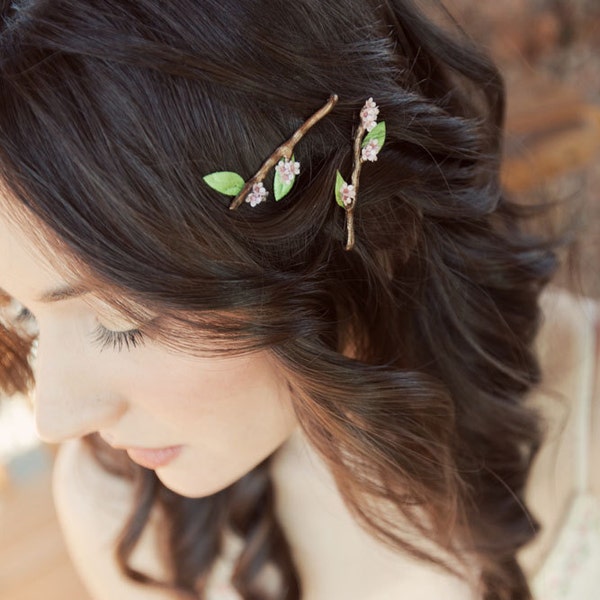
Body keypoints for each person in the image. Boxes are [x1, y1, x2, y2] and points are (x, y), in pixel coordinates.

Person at [0, 1, 597, 599]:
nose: (55, 418)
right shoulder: (121, 513)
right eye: (23, 310)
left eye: (119, 318)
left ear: (352, 224)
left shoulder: (586, 419)